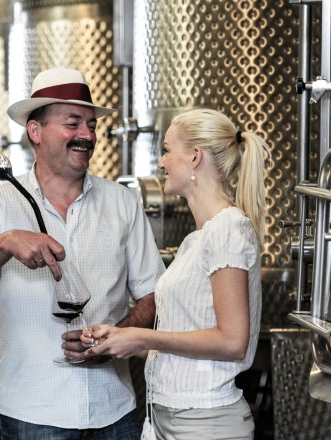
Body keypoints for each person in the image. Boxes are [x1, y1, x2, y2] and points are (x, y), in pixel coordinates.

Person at [0, 67, 165, 438]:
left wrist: (114, 339)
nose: (86, 135)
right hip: (32, 411)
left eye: (91, 125)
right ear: (36, 132)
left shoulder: (121, 203)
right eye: (73, 123)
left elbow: (155, 295)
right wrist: (1, 246)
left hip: (115, 410)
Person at [83, 108, 270, 439]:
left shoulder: (228, 229)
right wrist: (117, 339)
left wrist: (143, 336)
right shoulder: (195, 240)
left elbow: (232, 341)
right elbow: (185, 341)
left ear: (195, 156)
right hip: (166, 418)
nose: (161, 163)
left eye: (167, 150)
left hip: (204, 423)